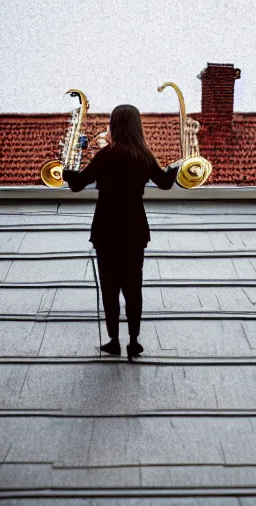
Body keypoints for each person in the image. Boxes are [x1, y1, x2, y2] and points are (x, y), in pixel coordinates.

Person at [63, 104, 180, 360]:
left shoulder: (106, 155)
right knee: (133, 287)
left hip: (106, 229)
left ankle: (114, 340)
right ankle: (134, 342)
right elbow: (165, 183)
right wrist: (175, 167)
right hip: (134, 229)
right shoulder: (144, 155)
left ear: (114, 125)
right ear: (137, 126)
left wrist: (67, 172)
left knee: (109, 287)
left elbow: (77, 185)